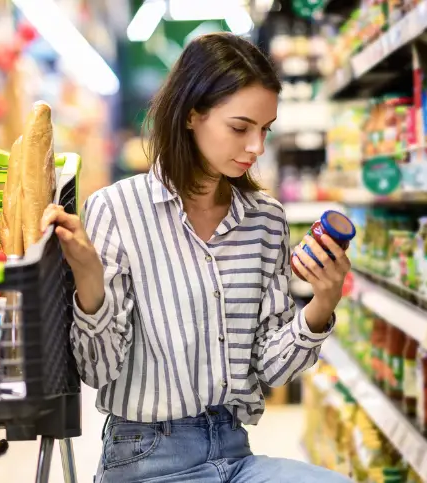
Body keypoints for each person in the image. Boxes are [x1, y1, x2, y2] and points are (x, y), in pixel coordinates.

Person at [41, 32, 351, 483]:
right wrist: (89, 281)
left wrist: (322, 305)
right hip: (146, 457)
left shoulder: (266, 220)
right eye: (240, 128)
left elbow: (270, 368)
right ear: (191, 115)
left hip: (235, 449)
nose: (257, 148)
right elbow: (97, 369)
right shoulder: (117, 209)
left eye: (265, 130)